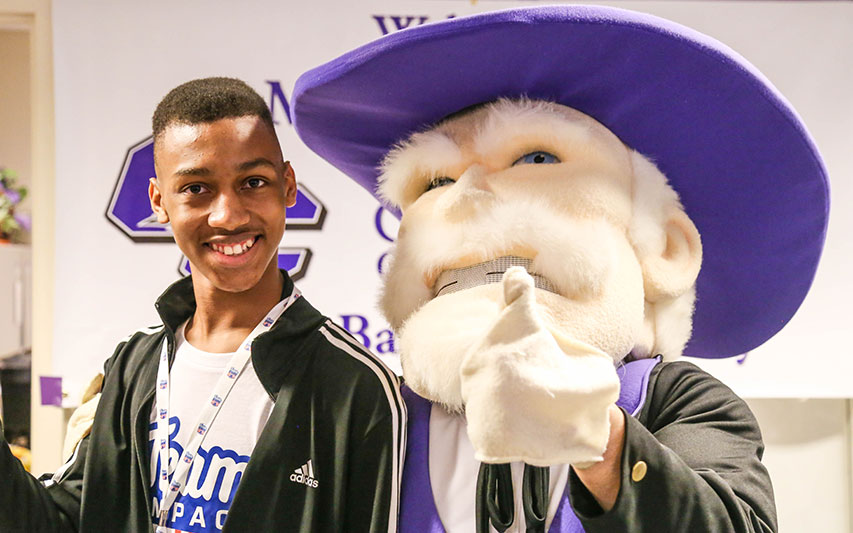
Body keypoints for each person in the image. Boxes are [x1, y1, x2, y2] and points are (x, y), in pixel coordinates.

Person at [289, 6, 829, 532]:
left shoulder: (676, 401)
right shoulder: (379, 418)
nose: (468, 194)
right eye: (434, 182)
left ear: (665, 248)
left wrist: (602, 442)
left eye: (536, 158)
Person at [0, 77, 405, 533]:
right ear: (159, 201)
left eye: (253, 182)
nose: (228, 215)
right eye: (196, 188)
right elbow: (59, 520)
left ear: (287, 187)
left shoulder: (357, 387)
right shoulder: (134, 366)